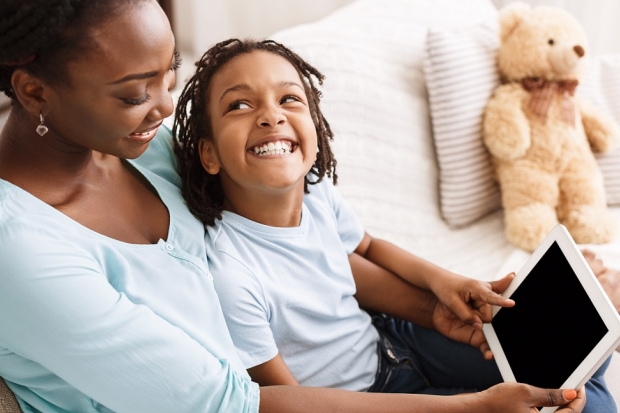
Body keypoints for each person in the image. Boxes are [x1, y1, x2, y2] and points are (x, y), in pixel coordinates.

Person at [0, 0, 591, 411]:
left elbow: (300, 249)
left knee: (573, 371)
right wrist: (470, 410)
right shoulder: (20, 254)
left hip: (359, 362)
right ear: (33, 91)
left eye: (168, 75)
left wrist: (428, 304)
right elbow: (235, 404)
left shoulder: (146, 148)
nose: (163, 107)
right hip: (278, 401)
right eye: (134, 93)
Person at [173, 38, 615, 412]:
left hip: (393, 340)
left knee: (577, 359)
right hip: (366, 400)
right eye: (240, 105)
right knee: (581, 400)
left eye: (289, 98)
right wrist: (466, 405)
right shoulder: (231, 274)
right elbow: (289, 402)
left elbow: (365, 249)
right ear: (208, 154)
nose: (271, 116)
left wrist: (444, 285)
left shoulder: (317, 192)